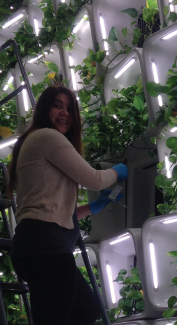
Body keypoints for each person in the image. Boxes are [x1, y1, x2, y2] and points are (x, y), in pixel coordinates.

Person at [7, 86, 128, 325]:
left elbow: (51, 207)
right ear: (44, 109)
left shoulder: (35, 141)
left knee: (86, 310)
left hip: (40, 246)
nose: (65, 113)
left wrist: (93, 207)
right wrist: (118, 171)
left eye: (70, 108)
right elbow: (94, 179)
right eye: (57, 105)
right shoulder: (47, 137)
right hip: (45, 248)